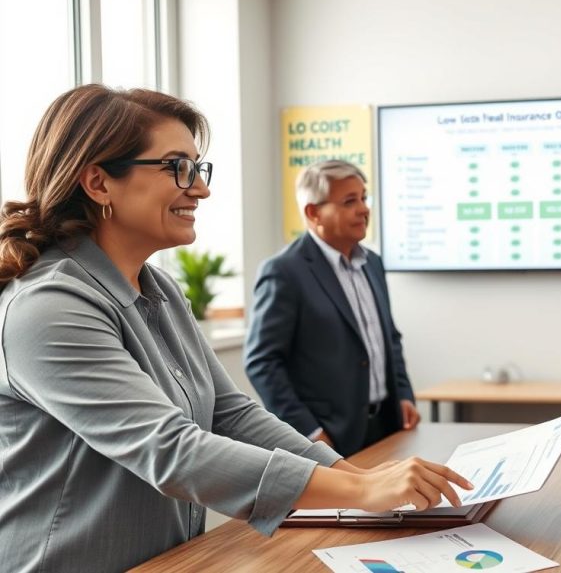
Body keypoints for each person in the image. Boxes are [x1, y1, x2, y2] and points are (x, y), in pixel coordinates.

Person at [0, 85, 470, 572]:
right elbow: (171, 449)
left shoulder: (157, 287)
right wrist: (360, 489)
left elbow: (231, 415)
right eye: (177, 167)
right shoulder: (47, 307)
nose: (200, 189)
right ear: (98, 183)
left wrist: (354, 479)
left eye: (199, 169)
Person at [245, 160, 419, 457]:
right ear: (314, 213)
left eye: (364, 198)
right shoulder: (285, 272)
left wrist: (403, 394)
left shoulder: (372, 263)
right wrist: (309, 431)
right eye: (350, 201)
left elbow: (390, 337)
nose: (364, 209)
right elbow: (262, 363)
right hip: (329, 436)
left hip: (386, 426)